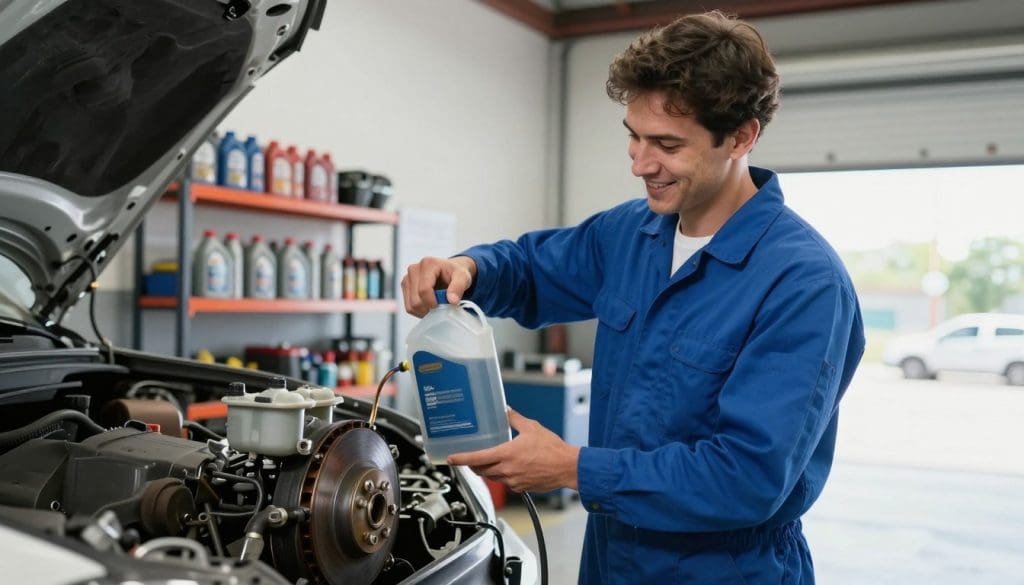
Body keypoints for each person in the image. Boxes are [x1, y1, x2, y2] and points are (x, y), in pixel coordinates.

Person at [401, 10, 864, 584]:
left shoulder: (804, 284)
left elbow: (747, 477)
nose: (641, 164)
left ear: (741, 135)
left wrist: (574, 469)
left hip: (725, 571)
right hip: (612, 559)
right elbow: (531, 268)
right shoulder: (629, 234)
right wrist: (468, 266)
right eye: (634, 136)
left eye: (667, 144)